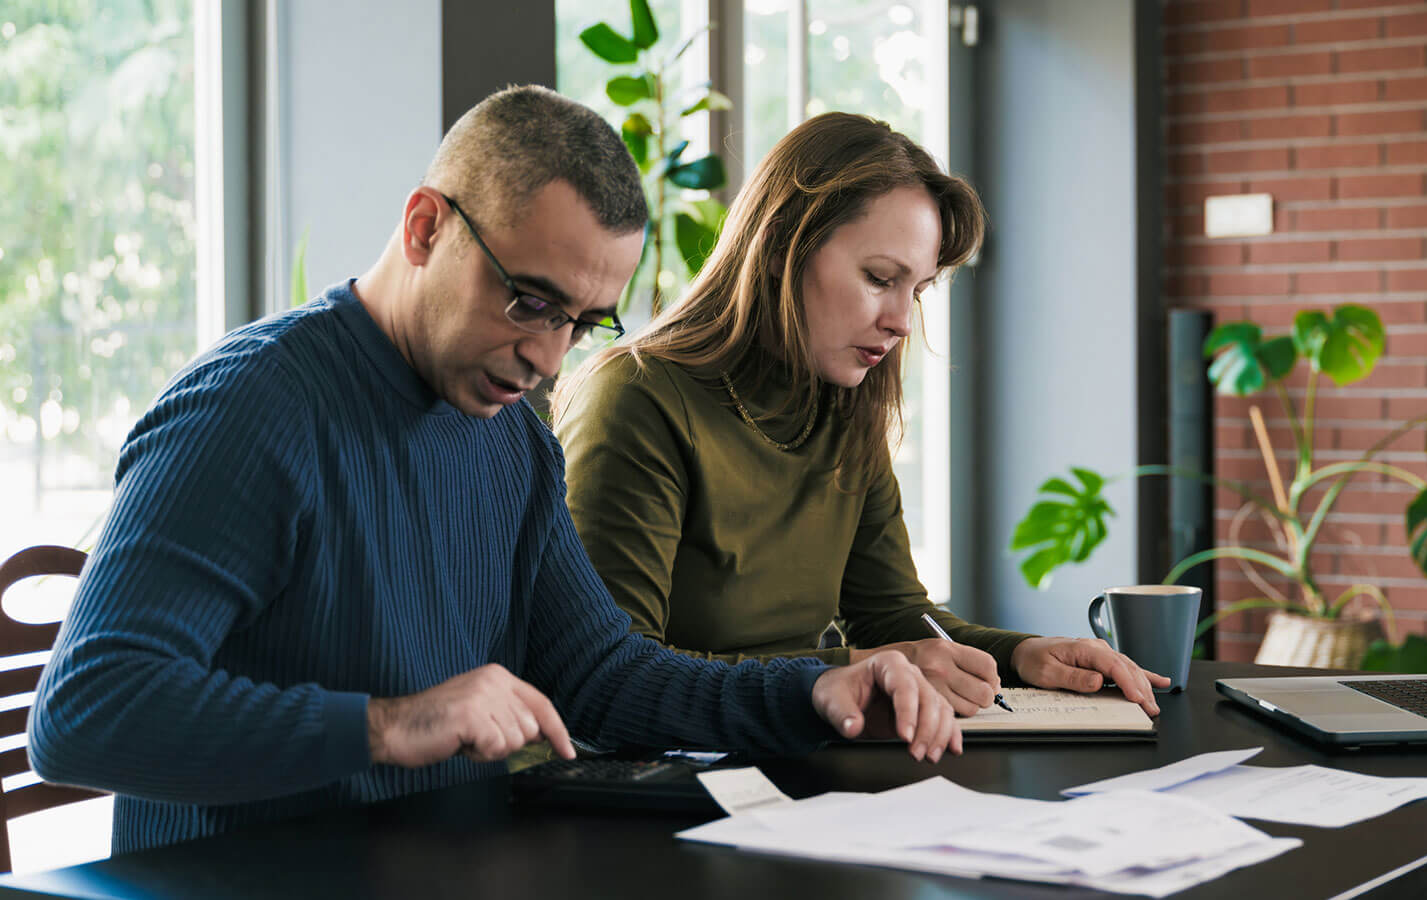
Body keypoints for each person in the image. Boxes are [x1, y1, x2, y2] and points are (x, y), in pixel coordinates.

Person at [28, 87, 960, 855]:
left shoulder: (509, 430)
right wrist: (388, 726)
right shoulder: (252, 411)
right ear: (426, 226)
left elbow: (598, 671)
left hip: (436, 867)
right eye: (528, 300)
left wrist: (812, 693)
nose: (547, 357)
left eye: (582, 321)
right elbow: (83, 712)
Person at [552, 113, 1169, 719]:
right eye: (880, 278)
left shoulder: (844, 402)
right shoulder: (635, 398)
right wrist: (843, 672)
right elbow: (613, 679)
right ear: (780, 248)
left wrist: (1026, 654)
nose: (902, 320)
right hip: (673, 780)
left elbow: (896, 616)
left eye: (918, 290)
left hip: (806, 759)